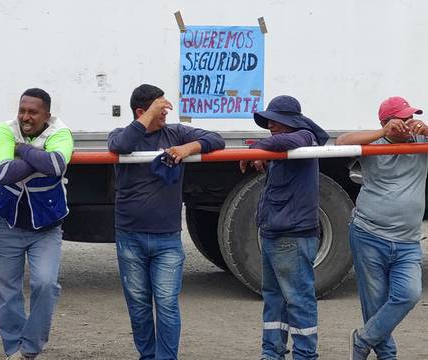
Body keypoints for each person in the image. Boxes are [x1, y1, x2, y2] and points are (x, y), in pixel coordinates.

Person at [336, 96, 428, 360]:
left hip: (408, 240)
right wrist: (382, 133)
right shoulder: (374, 142)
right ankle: (387, 355)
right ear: (387, 122)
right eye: (403, 119)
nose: (409, 124)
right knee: (374, 301)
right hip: (369, 233)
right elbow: (341, 142)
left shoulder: (423, 141)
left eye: (411, 118)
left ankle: (363, 339)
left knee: (409, 294)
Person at [108, 83, 225, 360]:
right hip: (130, 237)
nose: (166, 113)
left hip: (167, 239)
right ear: (141, 111)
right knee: (137, 305)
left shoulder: (176, 132)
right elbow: (122, 145)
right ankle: (147, 356)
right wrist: (148, 116)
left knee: (167, 303)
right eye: (161, 108)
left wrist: (188, 148)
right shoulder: (122, 135)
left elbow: (216, 139)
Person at [240, 95, 329, 360]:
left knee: (298, 299)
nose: (270, 126)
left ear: (291, 122)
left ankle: (304, 355)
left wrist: (257, 149)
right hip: (274, 232)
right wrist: (262, 154)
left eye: (276, 121)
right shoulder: (283, 144)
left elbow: (289, 141)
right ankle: (272, 353)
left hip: (291, 234)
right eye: (269, 121)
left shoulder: (303, 136)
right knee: (274, 298)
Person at [0, 88, 74, 359]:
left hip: (46, 228)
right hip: (7, 224)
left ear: (47, 115)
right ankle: (14, 350)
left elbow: (57, 164)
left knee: (45, 284)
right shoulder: (5, 129)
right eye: (22, 110)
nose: (25, 117)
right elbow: (4, 173)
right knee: (8, 291)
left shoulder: (61, 132)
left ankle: (30, 348)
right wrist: (40, 159)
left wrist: (22, 149)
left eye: (33, 112)